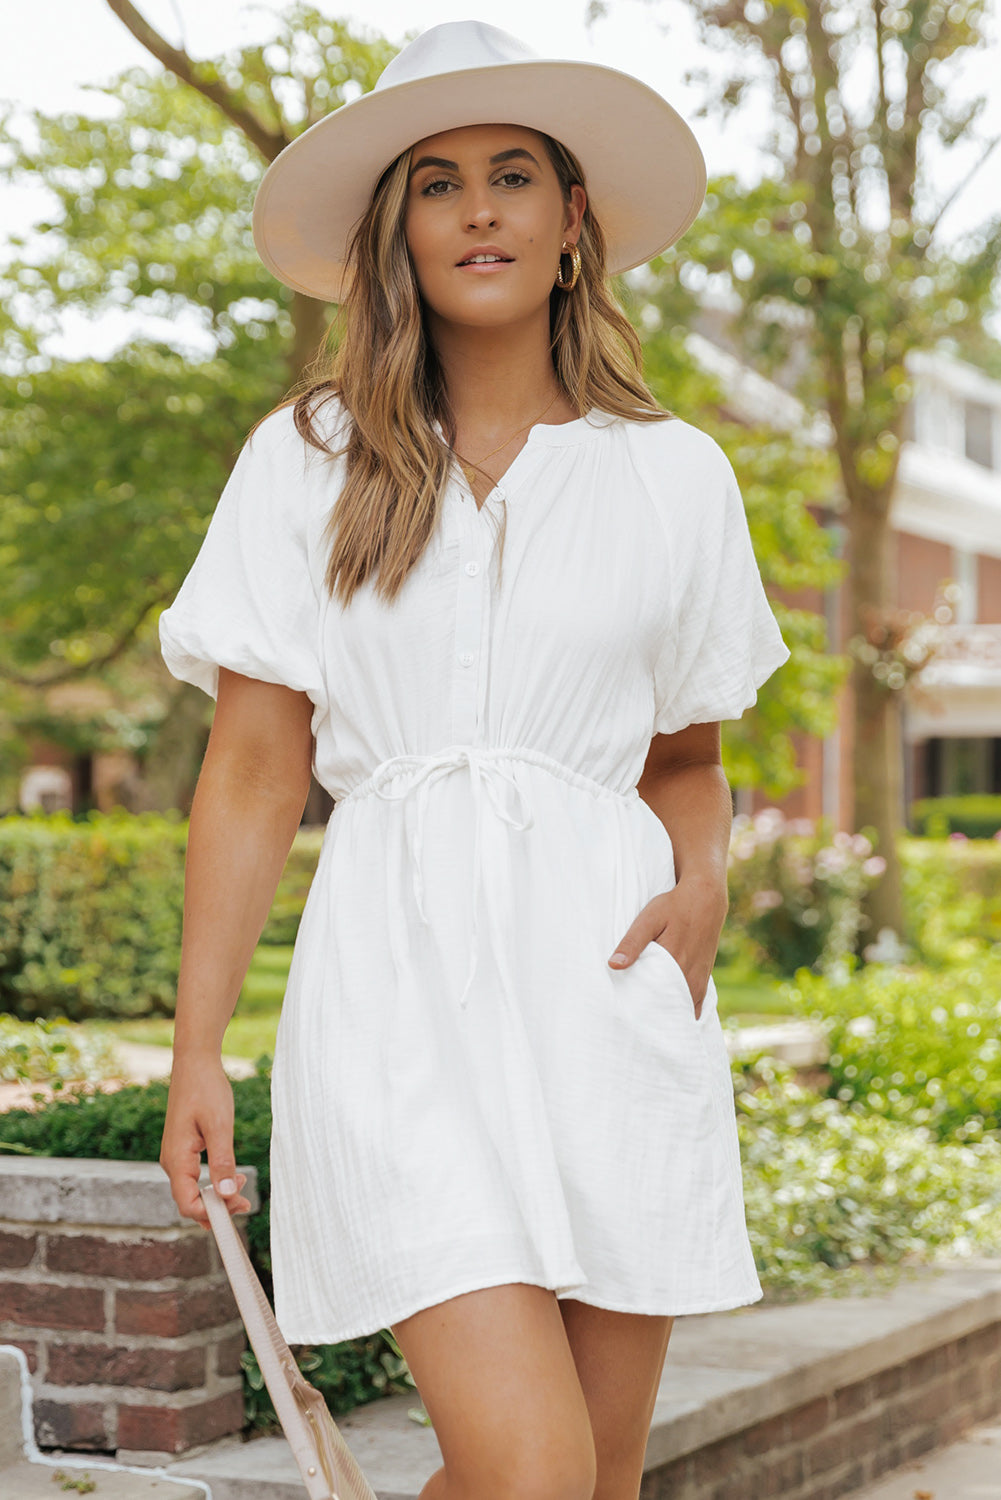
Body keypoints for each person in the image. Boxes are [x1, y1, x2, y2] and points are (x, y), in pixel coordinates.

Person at [158, 19, 791, 1500]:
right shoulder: (308, 455)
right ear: (399, 231)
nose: (478, 209)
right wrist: (197, 1047)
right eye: (437, 183)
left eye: (513, 176)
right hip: (396, 997)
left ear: (573, 221)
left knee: (597, 1476)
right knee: (530, 1470)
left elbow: (685, 752)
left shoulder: (676, 474)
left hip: (611, 990)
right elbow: (253, 773)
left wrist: (703, 882)